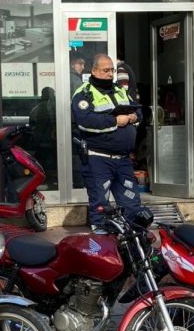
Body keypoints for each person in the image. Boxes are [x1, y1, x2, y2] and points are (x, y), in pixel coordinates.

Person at [71, 54, 142, 234]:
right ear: (94, 70)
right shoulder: (84, 93)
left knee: (132, 205)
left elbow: (138, 111)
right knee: (100, 206)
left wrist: (134, 116)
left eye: (112, 70)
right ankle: (102, 242)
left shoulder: (119, 90)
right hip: (98, 160)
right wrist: (115, 121)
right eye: (106, 70)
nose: (110, 74)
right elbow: (85, 121)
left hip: (123, 160)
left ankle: (131, 242)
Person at [29, 87, 57, 180]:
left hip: (39, 141)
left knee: (40, 162)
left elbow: (32, 125)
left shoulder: (35, 109)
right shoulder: (53, 108)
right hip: (50, 141)